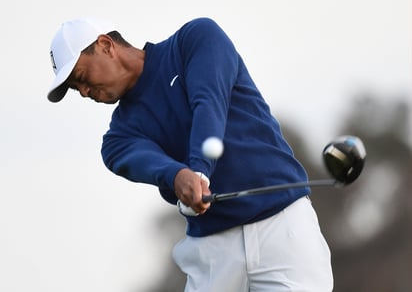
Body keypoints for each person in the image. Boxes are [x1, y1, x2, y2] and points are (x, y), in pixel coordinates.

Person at [47, 17, 333, 291]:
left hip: (283, 228)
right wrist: (178, 176)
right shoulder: (118, 138)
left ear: (105, 45)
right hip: (213, 252)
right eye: (75, 89)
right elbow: (152, 163)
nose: (84, 92)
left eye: (82, 77)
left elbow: (208, 103)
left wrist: (198, 171)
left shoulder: (196, 39)